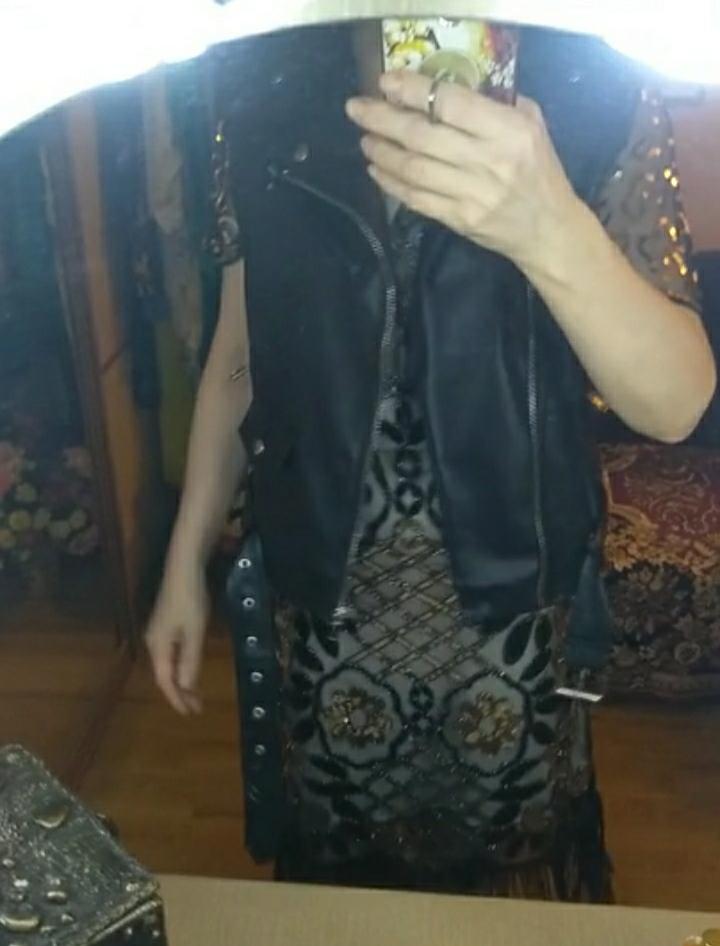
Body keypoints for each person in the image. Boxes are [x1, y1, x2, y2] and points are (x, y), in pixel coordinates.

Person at [146, 22, 716, 901]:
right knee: (340, 893)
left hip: (513, 608)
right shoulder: (259, 76)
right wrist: (185, 559)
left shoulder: (592, 78)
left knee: (519, 896)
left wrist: (548, 227)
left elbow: (676, 402)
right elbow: (240, 350)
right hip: (325, 605)